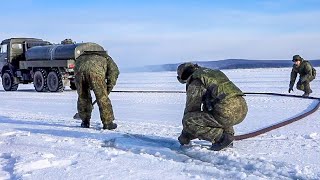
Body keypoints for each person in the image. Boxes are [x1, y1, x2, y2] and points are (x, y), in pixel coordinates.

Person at [176, 63, 248, 151]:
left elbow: (192, 109)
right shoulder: (212, 73)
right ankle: (228, 135)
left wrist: (185, 136)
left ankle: (221, 138)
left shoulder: (196, 81)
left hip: (226, 112)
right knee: (211, 113)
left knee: (188, 120)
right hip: (242, 109)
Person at [75, 50, 119, 130]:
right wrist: (109, 87)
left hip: (79, 71)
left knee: (83, 97)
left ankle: (85, 122)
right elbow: (114, 73)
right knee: (102, 98)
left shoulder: (80, 57)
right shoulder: (106, 58)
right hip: (95, 73)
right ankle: (108, 123)